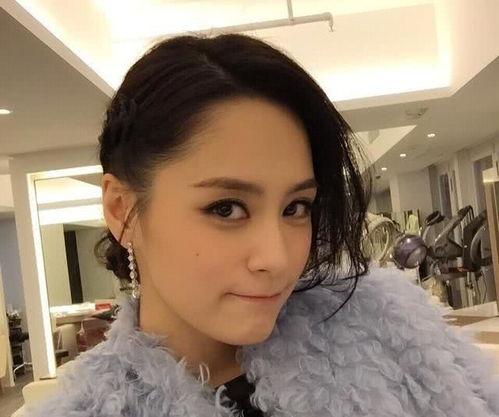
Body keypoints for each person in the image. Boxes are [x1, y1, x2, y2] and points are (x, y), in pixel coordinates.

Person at [24, 34, 499, 417]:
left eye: (296, 207)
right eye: (226, 208)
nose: (277, 258)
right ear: (121, 209)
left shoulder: (391, 330)